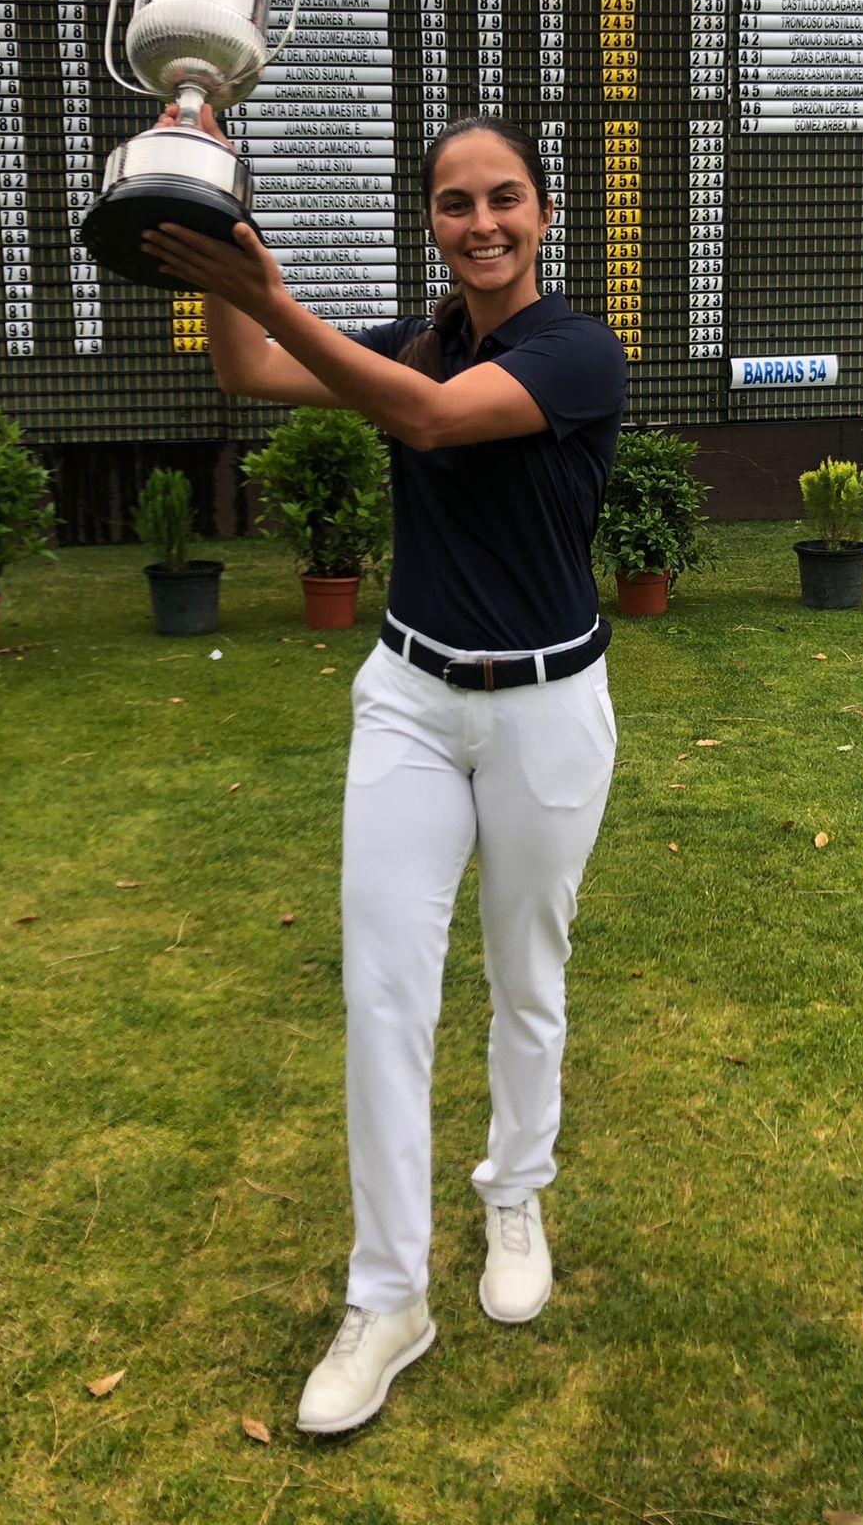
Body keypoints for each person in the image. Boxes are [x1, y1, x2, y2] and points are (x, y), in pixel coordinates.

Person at [142, 105, 626, 1437]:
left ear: (542, 212)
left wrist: (279, 298)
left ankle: (513, 1196)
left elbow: (421, 418)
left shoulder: (577, 351)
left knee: (528, 976)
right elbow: (249, 371)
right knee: (383, 994)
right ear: (430, 219)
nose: (482, 224)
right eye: (456, 204)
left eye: (504, 199)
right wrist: (217, 194)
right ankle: (388, 1294)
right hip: (410, 700)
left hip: (546, 712)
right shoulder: (417, 337)